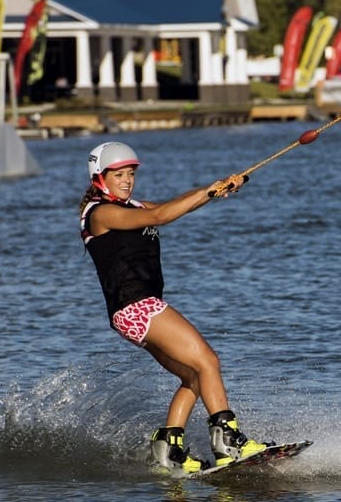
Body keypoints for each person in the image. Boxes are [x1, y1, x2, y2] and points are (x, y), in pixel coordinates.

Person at [78, 141, 267, 473]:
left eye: (131, 174)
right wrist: (207, 191)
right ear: (100, 178)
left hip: (133, 313)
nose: (127, 180)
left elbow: (173, 206)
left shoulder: (132, 205)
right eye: (119, 175)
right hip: (138, 306)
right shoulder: (101, 212)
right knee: (208, 361)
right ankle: (229, 441)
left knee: (195, 376)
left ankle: (169, 446)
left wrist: (218, 187)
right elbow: (160, 216)